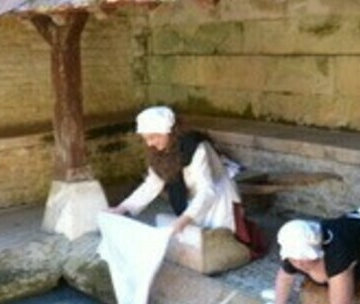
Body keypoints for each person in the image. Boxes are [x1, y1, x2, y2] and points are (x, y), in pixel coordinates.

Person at [110, 106, 264, 257]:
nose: (149, 143)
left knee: (224, 242)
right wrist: (123, 208)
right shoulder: (158, 152)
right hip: (193, 196)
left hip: (217, 196)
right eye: (146, 139)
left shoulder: (196, 148)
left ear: (167, 132)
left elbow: (207, 190)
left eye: (153, 137)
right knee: (196, 241)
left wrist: (185, 218)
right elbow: (152, 184)